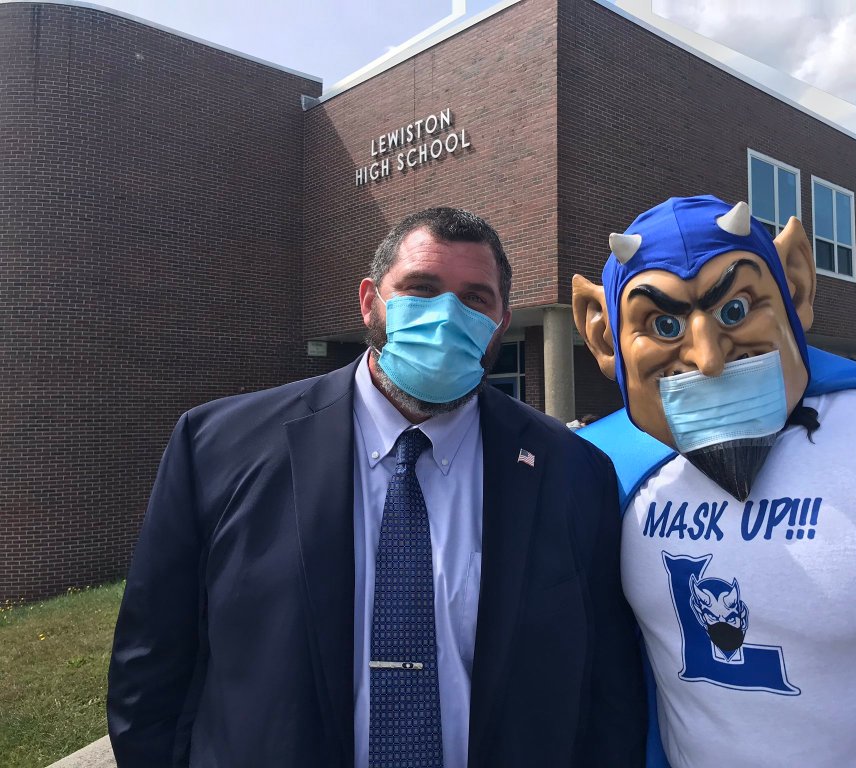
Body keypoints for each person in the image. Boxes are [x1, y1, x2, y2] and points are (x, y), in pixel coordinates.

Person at [108, 207, 645, 768]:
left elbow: (607, 682)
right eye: (421, 288)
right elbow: (151, 673)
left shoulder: (572, 468)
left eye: (475, 300)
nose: (445, 317)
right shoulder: (218, 448)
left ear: (501, 324)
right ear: (370, 301)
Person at [572, 195, 856, 767]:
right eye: (664, 325)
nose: (708, 359)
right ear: (604, 337)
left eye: (735, 310)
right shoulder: (602, 474)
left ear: (795, 284)